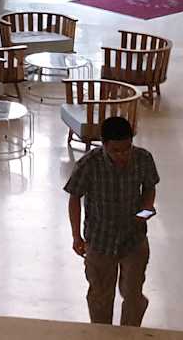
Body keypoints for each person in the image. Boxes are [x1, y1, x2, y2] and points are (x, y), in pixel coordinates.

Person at [64, 115, 158, 326]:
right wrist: (76, 236)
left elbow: (150, 187)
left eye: (127, 149)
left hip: (134, 239)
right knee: (100, 296)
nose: (123, 155)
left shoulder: (143, 158)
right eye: (116, 150)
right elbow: (74, 197)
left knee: (133, 294)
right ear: (104, 144)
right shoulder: (88, 164)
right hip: (100, 241)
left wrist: (146, 209)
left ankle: (129, 334)